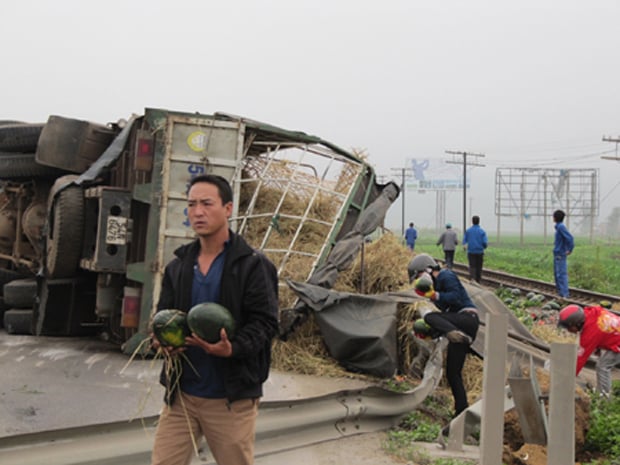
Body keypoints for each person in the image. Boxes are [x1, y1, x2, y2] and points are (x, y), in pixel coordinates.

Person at [151, 174, 279, 465]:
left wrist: (232, 348)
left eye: (207, 203)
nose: (198, 211)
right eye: (192, 204)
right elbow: (163, 317)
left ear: (228, 209)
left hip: (230, 398)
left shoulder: (253, 265)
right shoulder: (178, 266)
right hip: (181, 395)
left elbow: (266, 323)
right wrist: (160, 341)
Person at [408, 253, 480, 418]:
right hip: (460, 329)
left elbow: (455, 297)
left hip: (467, 318)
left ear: (428, 269)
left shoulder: (446, 275)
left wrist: (434, 296)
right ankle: (461, 412)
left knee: (429, 316)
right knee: (453, 373)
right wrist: (430, 333)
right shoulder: (437, 287)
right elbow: (445, 314)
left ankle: (452, 333)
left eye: (419, 276)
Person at [558, 304, 620, 398]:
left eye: (569, 327)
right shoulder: (590, 313)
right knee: (602, 362)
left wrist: (567, 380)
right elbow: (602, 330)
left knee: (602, 366)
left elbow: (580, 360)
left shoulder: (589, 334)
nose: (568, 330)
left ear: (577, 323)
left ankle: (604, 398)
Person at [552, 209, 574, 298]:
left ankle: (565, 294)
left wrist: (570, 249)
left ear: (555, 218)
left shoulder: (561, 227)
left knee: (561, 274)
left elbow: (570, 238)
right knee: (557, 275)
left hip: (560, 254)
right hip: (557, 254)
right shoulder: (558, 227)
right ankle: (561, 293)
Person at [462, 215, 487, 283]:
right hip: (479, 251)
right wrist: (483, 247)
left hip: (471, 251)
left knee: (472, 266)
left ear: (472, 222)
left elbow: (464, 241)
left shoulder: (468, 231)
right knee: (479, 266)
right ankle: (478, 280)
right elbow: (485, 242)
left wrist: (465, 247)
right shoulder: (482, 231)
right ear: (479, 222)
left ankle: (473, 278)